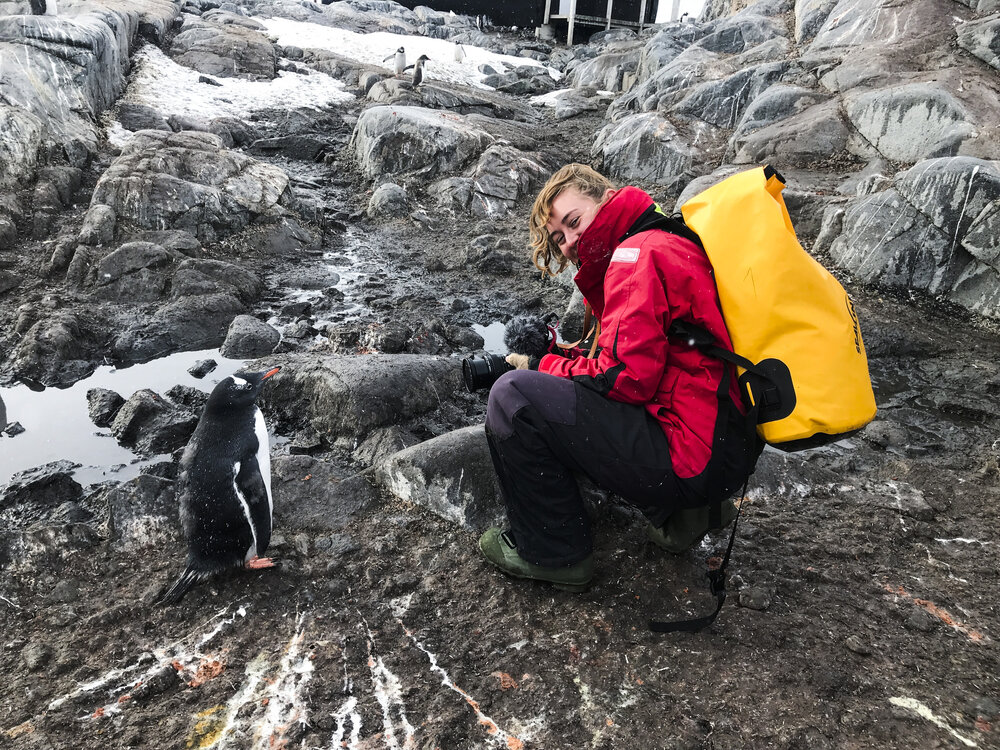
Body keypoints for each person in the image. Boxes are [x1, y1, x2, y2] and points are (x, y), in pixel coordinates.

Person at [478, 164, 761, 591]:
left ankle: (553, 554)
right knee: (569, 392)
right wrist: (563, 360)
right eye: (559, 239)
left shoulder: (634, 257)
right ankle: (690, 514)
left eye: (574, 222)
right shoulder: (664, 238)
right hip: (721, 446)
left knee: (511, 397)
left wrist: (539, 368)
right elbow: (651, 361)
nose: (571, 242)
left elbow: (623, 378)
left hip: (691, 459)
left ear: (606, 198)